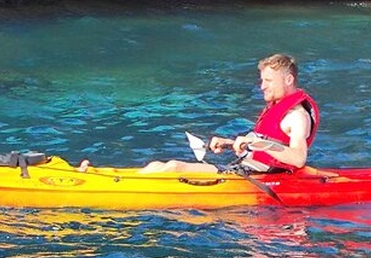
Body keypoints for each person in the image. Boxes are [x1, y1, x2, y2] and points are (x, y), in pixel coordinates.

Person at [134, 53, 319, 174]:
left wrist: (257, 143)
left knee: (174, 167)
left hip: (261, 176)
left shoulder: (297, 116)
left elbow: (298, 158)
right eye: (262, 80)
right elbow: (263, 143)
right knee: (156, 166)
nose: (262, 86)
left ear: (288, 79)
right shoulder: (277, 106)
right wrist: (230, 143)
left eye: (269, 80)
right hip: (247, 168)